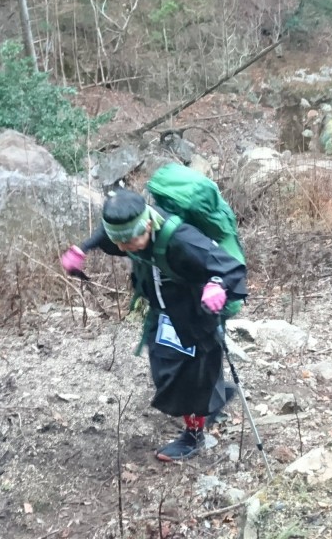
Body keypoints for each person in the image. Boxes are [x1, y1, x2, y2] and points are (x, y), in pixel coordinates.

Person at [60, 189, 248, 461]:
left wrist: (217, 285)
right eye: (119, 242)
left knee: (187, 377)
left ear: (148, 224)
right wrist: (84, 247)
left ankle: (193, 437)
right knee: (168, 366)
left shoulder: (183, 239)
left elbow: (230, 267)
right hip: (163, 311)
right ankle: (217, 394)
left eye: (131, 240)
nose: (125, 248)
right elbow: (109, 232)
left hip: (196, 311)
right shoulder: (129, 232)